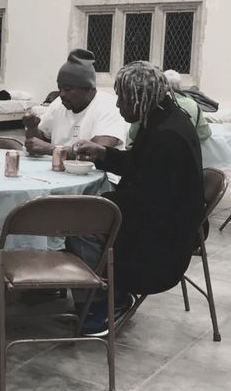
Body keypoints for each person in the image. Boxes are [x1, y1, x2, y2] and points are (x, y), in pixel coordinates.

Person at [72, 61, 205, 336]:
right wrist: (102, 154)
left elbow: (152, 202)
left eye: (122, 98)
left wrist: (103, 205)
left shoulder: (167, 136)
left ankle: (106, 303)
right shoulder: (162, 119)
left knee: (78, 226)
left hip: (162, 241)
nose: (118, 106)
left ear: (139, 99)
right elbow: (141, 167)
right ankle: (98, 292)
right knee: (85, 212)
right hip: (159, 220)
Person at [23, 48, 127, 157]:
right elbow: (40, 143)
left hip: (99, 173)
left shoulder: (109, 106)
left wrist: (51, 149)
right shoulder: (58, 104)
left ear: (88, 89)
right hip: (59, 171)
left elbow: (98, 153)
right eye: (60, 89)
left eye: (67, 89)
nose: (62, 94)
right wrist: (32, 127)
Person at [127, 69, 211, 143]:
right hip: (183, 154)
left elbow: (133, 134)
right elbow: (204, 133)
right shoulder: (192, 104)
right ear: (179, 85)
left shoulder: (150, 104)